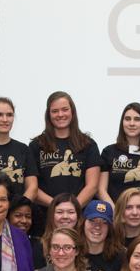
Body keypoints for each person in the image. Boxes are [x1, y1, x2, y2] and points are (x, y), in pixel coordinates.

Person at [26, 90, 100, 228]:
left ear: (72, 112)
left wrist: (71, 210)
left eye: (65, 109)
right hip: (45, 219)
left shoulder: (88, 144)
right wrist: (57, 208)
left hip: (79, 219)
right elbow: (32, 186)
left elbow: (93, 186)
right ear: (48, 114)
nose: (60, 115)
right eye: (55, 111)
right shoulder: (36, 145)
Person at [97, 102, 140, 211]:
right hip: (115, 218)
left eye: (137, 119)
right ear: (122, 123)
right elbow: (101, 189)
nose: (132, 123)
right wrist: (116, 213)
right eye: (127, 119)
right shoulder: (108, 152)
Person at [81, 198, 125, 271]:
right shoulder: (72, 252)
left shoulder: (121, 257)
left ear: (110, 228)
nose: (97, 226)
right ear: (83, 223)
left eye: (104, 222)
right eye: (92, 220)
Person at [40, 192, 81, 258]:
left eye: (71, 212)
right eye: (59, 212)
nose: (65, 216)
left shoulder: (85, 245)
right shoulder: (40, 247)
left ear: (78, 216)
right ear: (51, 215)